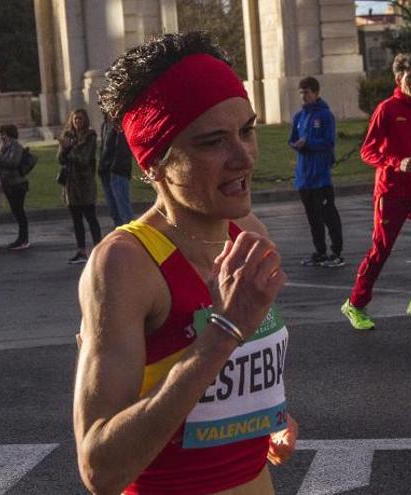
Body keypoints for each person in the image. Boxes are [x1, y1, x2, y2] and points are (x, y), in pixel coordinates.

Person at [73, 32, 297, 495]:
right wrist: (221, 333)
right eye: (214, 142)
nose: (244, 157)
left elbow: (230, 383)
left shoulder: (249, 232)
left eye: (247, 131)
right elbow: (100, 467)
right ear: (155, 163)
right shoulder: (125, 263)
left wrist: (265, 416)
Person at [340, 53, 411, 330]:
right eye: (409, 77)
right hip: (391, 192)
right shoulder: (387, 110)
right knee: (382, 249)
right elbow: (367, 151)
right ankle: (355, 304)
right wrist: (396, 163)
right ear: (398, 79)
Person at [289, 76, 344, 268]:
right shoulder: (299, 117)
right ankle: (320, 251)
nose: (304, 96)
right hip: (304, 177)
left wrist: (309, 144)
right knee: (313, 217)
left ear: (316, 93)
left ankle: (336, 251)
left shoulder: (325, 116)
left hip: (321, 177)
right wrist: (296, 145)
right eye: (302, 93)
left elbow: (329, 142)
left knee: (328, 215)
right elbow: (292, 139)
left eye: (307, 92)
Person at [58, 109, 102, 264]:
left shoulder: (90, 136)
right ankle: (81, 251)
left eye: (80, 119)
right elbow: (61, 159)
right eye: (75, 119)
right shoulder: (68, 135)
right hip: (70, 183)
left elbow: (84, 158)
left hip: (85, 183)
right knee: (76, 219)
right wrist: (64, 149)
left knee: (90, 217)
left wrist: (69, 149)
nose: (77, 122)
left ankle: (98, 248)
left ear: (86, 120)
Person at [0, 124, 30, 250]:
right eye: (1, 134)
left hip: (17, 184)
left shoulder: (15, 146)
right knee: (16, 211)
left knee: (19, 211)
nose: (2, 137)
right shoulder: (6, 148)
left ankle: (24, 239)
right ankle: (21, 238)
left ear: (9, 134)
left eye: (4, 134)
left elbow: (13, 162)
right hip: (8, 184)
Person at [98, 114, 135, 227]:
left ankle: (132, 238)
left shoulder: (120, 122)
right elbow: (104, 148)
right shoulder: (105, 124)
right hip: (106, 171)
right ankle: (121, 236)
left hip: (118, 171)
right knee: (114, 211)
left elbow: (123, 149)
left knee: (124, 211)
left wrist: (115, 168)